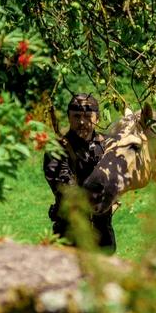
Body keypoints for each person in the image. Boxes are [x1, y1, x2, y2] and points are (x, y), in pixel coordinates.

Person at [43, 93, 116, 253]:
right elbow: (64, 187)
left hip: (103, 235)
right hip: (69, 234)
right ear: (69, 118)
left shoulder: (108, 146)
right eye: (76, 116)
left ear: (97, 118)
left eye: (88, 116)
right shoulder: (57, 149)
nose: (82, 122)